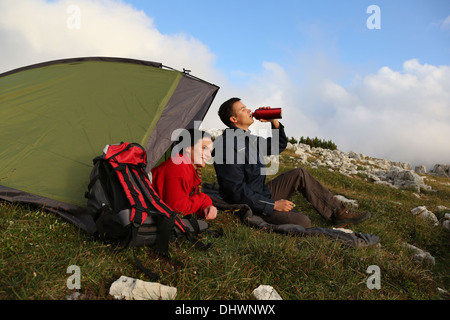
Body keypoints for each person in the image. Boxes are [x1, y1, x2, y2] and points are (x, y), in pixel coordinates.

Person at [213, 97, 370, 228]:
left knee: (299, 174)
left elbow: (277, 146)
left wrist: (273, 121)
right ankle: (279, 213)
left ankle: (339, 213)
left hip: (261, 192)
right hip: (248, 203)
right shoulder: (226, 145)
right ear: (233, 119)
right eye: (243, 109)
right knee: (303, 222)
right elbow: (236, 192)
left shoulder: (248, 139)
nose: (249, 110)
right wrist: (272, 205)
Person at [151, 128, 217, 220]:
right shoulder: (178, 167)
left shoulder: (186, 167)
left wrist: (206, 206)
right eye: (204, 148)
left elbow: (188, 199)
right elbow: (177, 209)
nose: (208, 155)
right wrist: (203, 199)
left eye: (210, 151)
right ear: (188, 148)